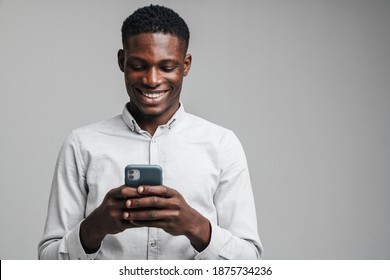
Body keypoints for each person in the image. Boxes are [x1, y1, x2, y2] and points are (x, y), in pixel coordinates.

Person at [38, 4, 263, 260]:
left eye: (167, 67)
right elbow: (47, 262)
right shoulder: (81, 145)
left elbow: (251, 263)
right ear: (122, 61)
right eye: (139, 65)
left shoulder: (222, 145)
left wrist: (195, 226)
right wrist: (95, 226)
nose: (152, 80)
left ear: (185, 65)